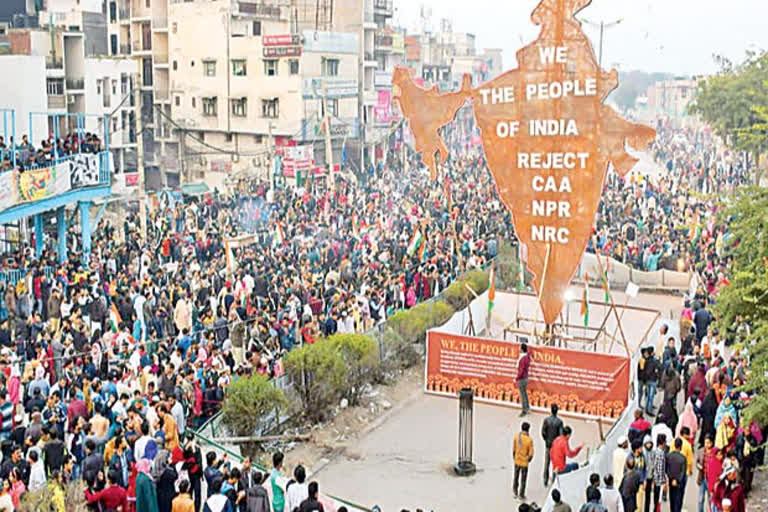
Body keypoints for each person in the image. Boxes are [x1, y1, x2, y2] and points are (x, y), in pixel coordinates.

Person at [542, 403, 564, 486]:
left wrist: (546, 440)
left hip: (548, 444)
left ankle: (545, 479)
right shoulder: (559, 422)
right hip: (555, 447)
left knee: (546, 463)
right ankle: (553, 480)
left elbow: (543, 432)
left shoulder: (546, 420)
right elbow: (561, 435)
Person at [512, 421, 534, 500]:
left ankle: (515, 491)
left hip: (517, 461)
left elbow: (514, 450)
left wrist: (515, 458)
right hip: (524, 463)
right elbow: (531, 453)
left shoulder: (516, 437)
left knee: (516, 477)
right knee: (523, 480)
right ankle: (521, 494)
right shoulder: (529, 440)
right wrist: (528, 460)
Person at [666, 438, 688, 512]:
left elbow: (667, 469)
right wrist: (677, 479)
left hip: (671, 482)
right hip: (680, 483)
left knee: (672, 499)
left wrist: (672, 479)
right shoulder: (683, 458)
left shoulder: (668, 456)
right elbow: (683, 472)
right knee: (678, 501)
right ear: (681, 446)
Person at [697, 435, 715, 512]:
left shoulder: (714, 452)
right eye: (705, 443)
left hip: (711, 479)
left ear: (711, 443)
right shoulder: (701, 451)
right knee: (700, 499)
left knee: (710, 499)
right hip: (702, 478)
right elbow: (697, 462)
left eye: (708, 443)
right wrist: (698, 466)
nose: (707, 445)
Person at [517, 343, 531, 417]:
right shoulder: (527, 357)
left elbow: (521, 370)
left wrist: (518, 377)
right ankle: (527, 408)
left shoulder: (523, 359)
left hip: (522, 378)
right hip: (525, 377)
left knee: (522, 395)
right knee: (524, 394)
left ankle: (524, 410)